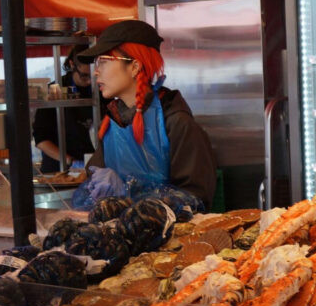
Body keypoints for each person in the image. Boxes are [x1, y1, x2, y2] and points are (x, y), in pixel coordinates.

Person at [75, 20, 218, 209]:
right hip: (119, 235)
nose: (96, 72)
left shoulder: (176, 122)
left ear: (134, 67)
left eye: (104, 61)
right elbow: (92, 182)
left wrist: (129, 191)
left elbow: (196, 199)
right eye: (97, 63)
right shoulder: (112, 122)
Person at [32, 44, 98, 173]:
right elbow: (41, 139)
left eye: (94, 76)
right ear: (72, 65)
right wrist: (70, 161)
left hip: (93, 164)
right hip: (59, 168)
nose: (90, 81)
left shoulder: (101, 91)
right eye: (85, 76)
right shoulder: (54, 90)